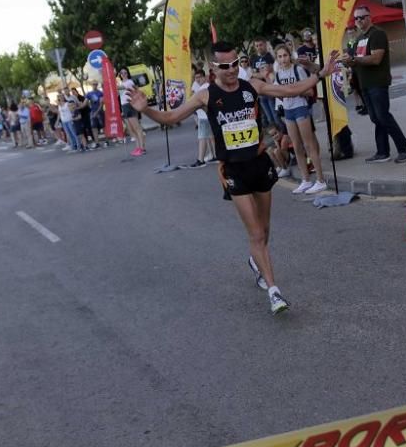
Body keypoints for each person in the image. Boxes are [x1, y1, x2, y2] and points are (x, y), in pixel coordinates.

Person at [128, 41, 339, 316]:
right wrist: (146, 110)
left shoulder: (252, 85)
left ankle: (256, 262)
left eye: (234, 64)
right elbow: (170, 117)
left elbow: (290, 90)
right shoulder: (205, 95)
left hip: (260, 164)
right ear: (213, 67)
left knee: (265, 231)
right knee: (254, 233)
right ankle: (274, 291)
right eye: (224, 66)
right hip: (233, 171)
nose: (230, 71)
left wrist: (320, 75)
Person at [340, 5, 406, 163]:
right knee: (376, 118)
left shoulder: (377, 34)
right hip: (365, 85)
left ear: (369, 17)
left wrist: (354, 59)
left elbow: (376, 58)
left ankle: (404, 149)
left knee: (383, 116)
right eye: (356, 18)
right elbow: (356, 62)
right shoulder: (360, 38)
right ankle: (382, 152)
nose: (358, 20)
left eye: (361, 17)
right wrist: (348, 61)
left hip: (378, 83)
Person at [273, 45, 327, 194]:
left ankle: (321, 180)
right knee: (296, 146)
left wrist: (294, 90)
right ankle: (305, 180)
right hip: (288, 111)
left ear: (290, 56)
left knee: (309, 145)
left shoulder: (298, 70)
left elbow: (309, 90)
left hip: (301, 108)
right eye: (280, 56)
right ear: (276, 59)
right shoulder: (278, 74)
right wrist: (284, 95)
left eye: (285, 55)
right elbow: (276, 92)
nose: (283, 59)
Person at [187, 68, 214, 168]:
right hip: (203, 116)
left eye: (199, 77)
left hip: (204, 117)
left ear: (204, 77)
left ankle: (200, 160)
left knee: (202, 137)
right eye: (196, 78)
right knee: (209, 137)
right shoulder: (200, 87)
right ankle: (214, 156)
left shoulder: (205, 87)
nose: (197, 79)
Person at [118, 68, 147, 156]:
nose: (123, 74)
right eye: (122, 73)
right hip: (124, 106)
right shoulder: (121, 83)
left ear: (127, 73)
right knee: (132, 129)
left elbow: (124, 88)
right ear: (120, 74)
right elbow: (119, 94)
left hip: (129, 105)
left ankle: (142, 148)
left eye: (125, 72)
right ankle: (138, 147)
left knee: (136, 128)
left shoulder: (129, 82)